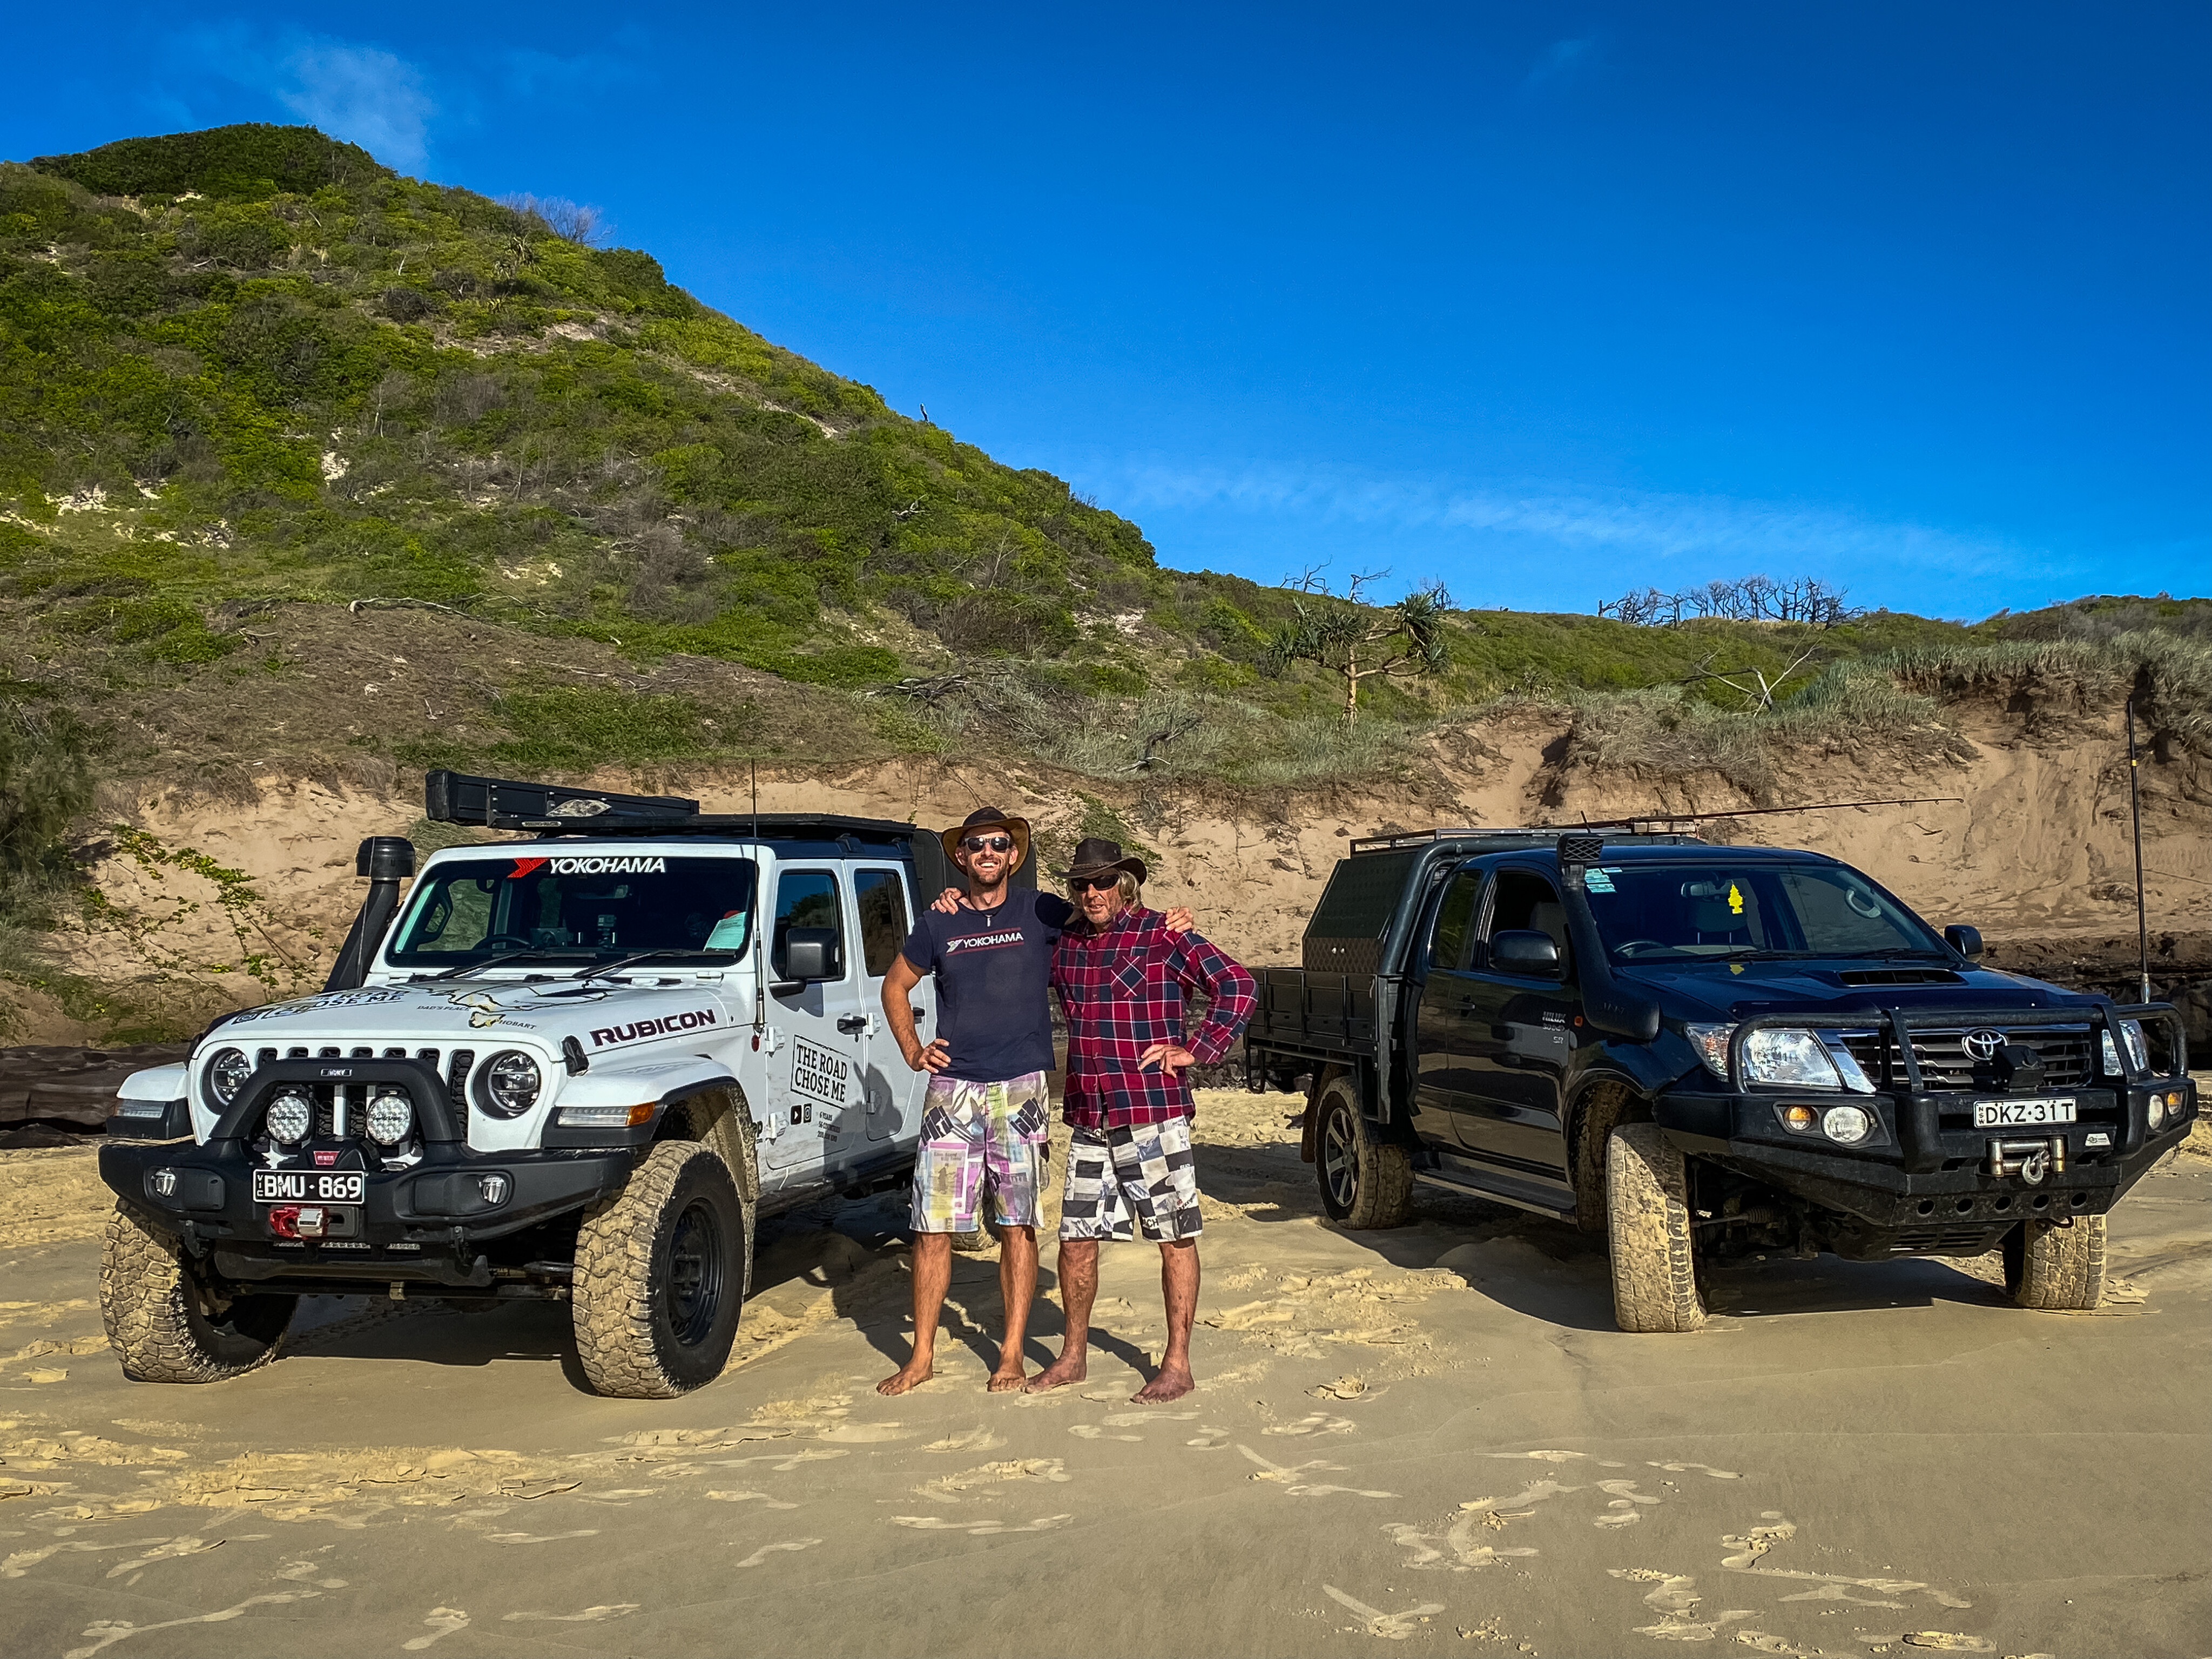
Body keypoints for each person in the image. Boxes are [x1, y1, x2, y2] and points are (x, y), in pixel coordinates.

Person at [875, 808, 1191, 1395]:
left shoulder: (1042, 910)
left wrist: (1170, 918)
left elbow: (1110, 916)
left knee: (1017, 1224)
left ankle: (1013, 1354)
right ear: (962, 857)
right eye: (976, 846)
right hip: (953, 1089)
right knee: (931, 1226)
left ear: (1013, 856)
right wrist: (914, 1050)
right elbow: (895, 984)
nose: (989, 852)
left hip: (1022, 1087)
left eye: (999, 844)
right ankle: (920, 1357)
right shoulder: (938, 920)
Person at [1026, 837, 1255, 1403]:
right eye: (1082, 883)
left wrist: (1198, 1049)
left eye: (1102, 882)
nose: (1092, 892)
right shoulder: (1066, 945)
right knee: (1075, 1240)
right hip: (1088, 1111)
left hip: (1152, 1111)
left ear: (1124, 883)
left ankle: (1177, 1362)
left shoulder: (1163, 934)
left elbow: (1238, 984)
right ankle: (1073, 1355)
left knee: (1173, 1235)